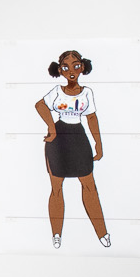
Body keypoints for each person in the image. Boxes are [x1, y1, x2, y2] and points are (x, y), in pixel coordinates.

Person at [36, 50, 108, 248]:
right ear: (60, 70)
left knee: (89, 185)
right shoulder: (57, 91)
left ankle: (102, 233)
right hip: (58, 140)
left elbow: (91, 117)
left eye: (76, 66)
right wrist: (51, 128)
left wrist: (98, 144)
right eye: (66, 67)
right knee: (56, 188)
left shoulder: (87, 92)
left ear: (82, 67)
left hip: (78, 138)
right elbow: (40, 105)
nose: (71, 71)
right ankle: (56, 234)